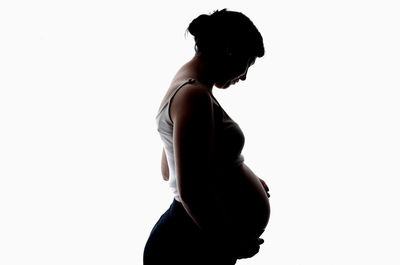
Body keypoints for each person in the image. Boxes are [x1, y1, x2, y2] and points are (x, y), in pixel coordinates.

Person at [143, 9, 271, 265]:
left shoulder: (187, 86)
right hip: (190, 242)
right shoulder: (194, 95)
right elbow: (190, 190)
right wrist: (231, 242)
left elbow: (170, 169)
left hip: (192, 236)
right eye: (248, 62)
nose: (244, 76)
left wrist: (236, 171)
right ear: (229, 49)